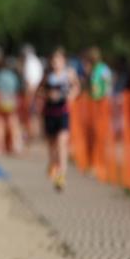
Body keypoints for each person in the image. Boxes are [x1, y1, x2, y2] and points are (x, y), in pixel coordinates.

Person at [36, 47, 80, 192]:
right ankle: (52, 163)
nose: (56, 63)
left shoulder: (69, 74)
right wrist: (48, 94)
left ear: (63, 61)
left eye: (58, 60)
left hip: (63, 112)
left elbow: (76, 88)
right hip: (49, 113)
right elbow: (39, 90)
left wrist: (71, 95)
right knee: (52, 145)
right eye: (53, 61)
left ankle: (62, 175)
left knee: (62, 142)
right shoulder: (47, 75)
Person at [0, 46, 23, 156]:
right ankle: (15, 146)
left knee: (0, 124)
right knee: (13, 125)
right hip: (11, 101)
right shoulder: (13, 76)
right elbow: (17, 89)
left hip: (0, 101)